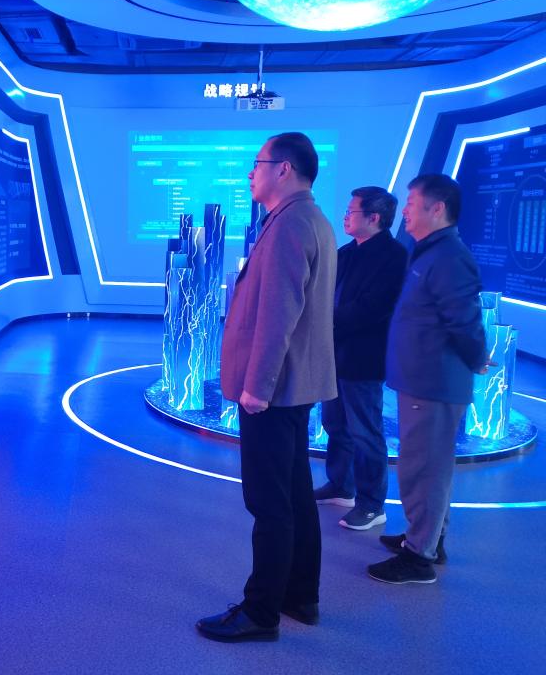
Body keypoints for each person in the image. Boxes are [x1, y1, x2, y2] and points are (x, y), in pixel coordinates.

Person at [197, 132, 337, 642]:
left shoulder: (289, 225)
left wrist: (256, 386)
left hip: (273, 390)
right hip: (294, 385)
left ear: (284, 169)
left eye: (257, 164)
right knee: (295, 494)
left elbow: (278, 315)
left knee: (269, 501)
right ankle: (300, 595)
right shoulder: (309, 219)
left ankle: (261, 612)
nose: (249, 173)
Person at [368, 173, 487, 584]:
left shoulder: (449, 257)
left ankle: (419, 556)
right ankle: (428, 539)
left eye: (412, 203)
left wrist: (477, 358)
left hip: (434, 383)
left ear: (437, 209)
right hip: (423, 380)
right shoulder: (432, 252)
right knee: (427, 467)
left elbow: (464, 320)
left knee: (424, 470)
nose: (404, 211)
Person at [314, 187, 407, 530]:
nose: (345, 217)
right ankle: (341, 485)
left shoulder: (394, 257)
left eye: (351, 211)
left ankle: (372, 504)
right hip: (335, 353)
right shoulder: (347, 252)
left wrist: (326, 321)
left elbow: (373, 308)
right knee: (335, 423)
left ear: (374, 217)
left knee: (365, 431)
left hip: (364, 357)